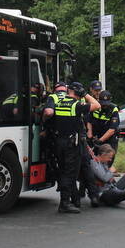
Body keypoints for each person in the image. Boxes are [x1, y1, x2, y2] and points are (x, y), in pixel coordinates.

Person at [42, 82, 99, 213]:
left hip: (59, 142)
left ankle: (73, 200)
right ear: (76, 92)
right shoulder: (76, 105)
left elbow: (48, 113)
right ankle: (64, 203)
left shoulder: (59, 103)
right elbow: (97, 105)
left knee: (64, 172)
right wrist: (85, 94)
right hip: (72, 144)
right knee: (70, 173)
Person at [89, 90, 121, 161]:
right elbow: (89, 121)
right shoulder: (96, 107)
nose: (105, 106)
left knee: (109, 159)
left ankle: (106, 170)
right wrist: (90, 134)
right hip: (97, 135)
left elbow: (112, 130)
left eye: (106, 104)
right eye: (103, 104)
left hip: (110, 138)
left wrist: (100, 141)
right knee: (94, 159)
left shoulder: (114, 109)